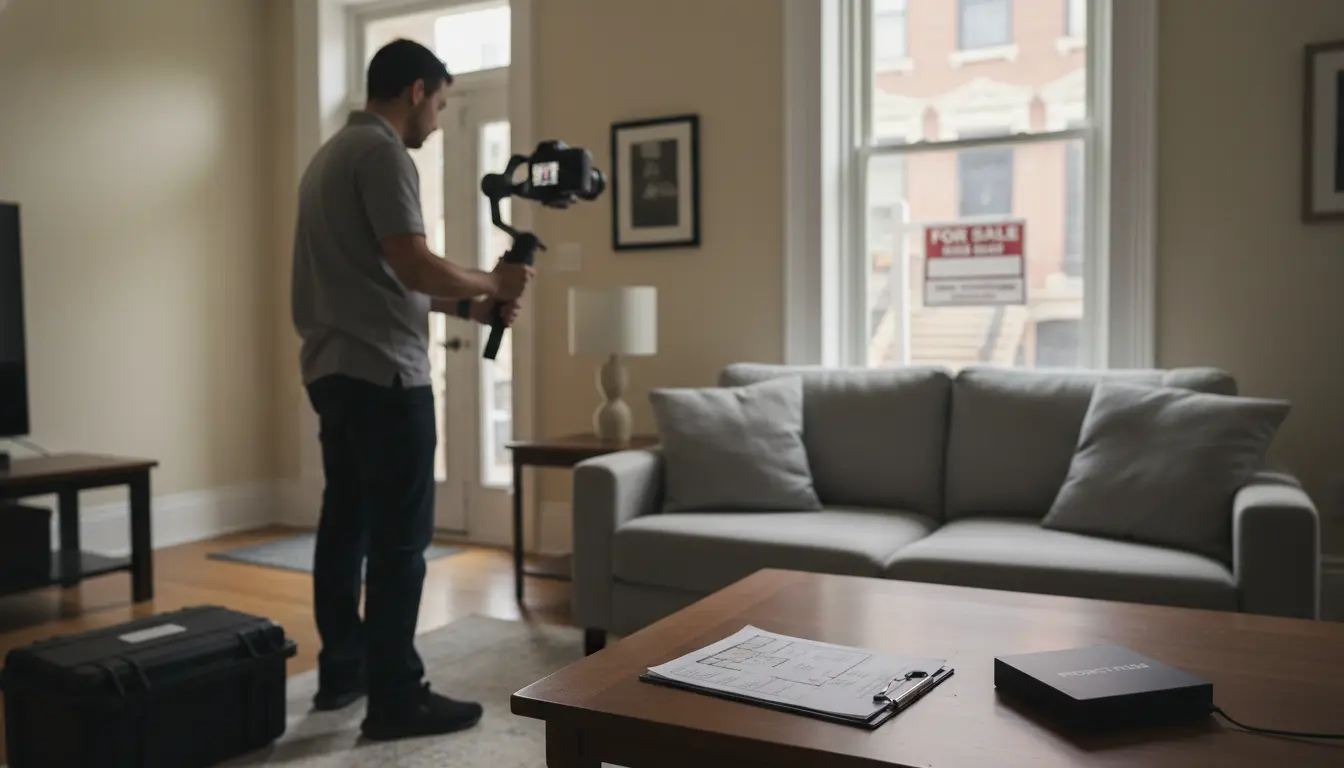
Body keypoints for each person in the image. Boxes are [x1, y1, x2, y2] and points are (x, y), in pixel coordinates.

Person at [290, 38, 534, 742]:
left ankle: (346, 669)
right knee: (400, 541)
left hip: (334, 370)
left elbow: (381, 280)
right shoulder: (383, 155)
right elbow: (414, 262)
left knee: (347, 527)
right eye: (442, 104)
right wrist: (494, 282)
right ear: (418, 91)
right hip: (386, 375)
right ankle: (397, 697)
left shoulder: (328, 158)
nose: (438, 119)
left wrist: (471, 309)